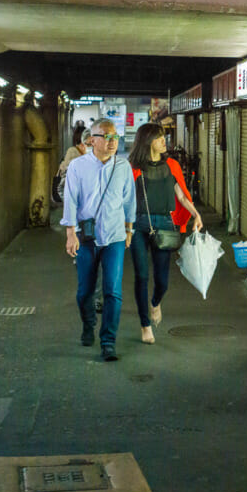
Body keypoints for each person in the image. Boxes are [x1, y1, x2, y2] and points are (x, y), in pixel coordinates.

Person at [60, 120, 136, 362]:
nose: (112, 141)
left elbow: (129, 200)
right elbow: (70, 200)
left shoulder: (123, 167)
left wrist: (129, 229)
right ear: (91, 140)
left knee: (113, 291)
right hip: (86, 237)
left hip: (114, 236)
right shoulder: (77, 167)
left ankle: (108, 341)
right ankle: (88, 323)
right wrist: (70, 233)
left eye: (115, 136)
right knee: (84, 292)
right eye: (106, 136)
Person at [129, 122, 203, 344]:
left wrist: (196, 214)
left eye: (164, 138)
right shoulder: (133, 166)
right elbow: (123, 198)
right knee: (141, 276)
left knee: (162, 281)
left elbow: (181, 195)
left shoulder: (171, 165)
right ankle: (145, 325)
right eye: (160, 138)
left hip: (164, 224)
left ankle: (155, 302)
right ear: (148, 141)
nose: (165, 141)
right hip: (139, 225)